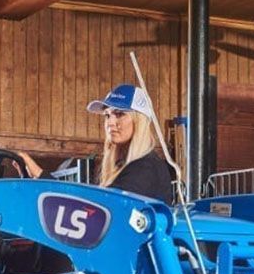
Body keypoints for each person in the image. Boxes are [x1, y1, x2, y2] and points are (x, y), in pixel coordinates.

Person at [19, 84, 174, 204]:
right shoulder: (126, 164)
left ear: (139, 121)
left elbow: (98, 208)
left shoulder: (145, 168)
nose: (110, 123)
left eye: (119, 114)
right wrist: (40, 178)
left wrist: (41, 176)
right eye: (107, 115)